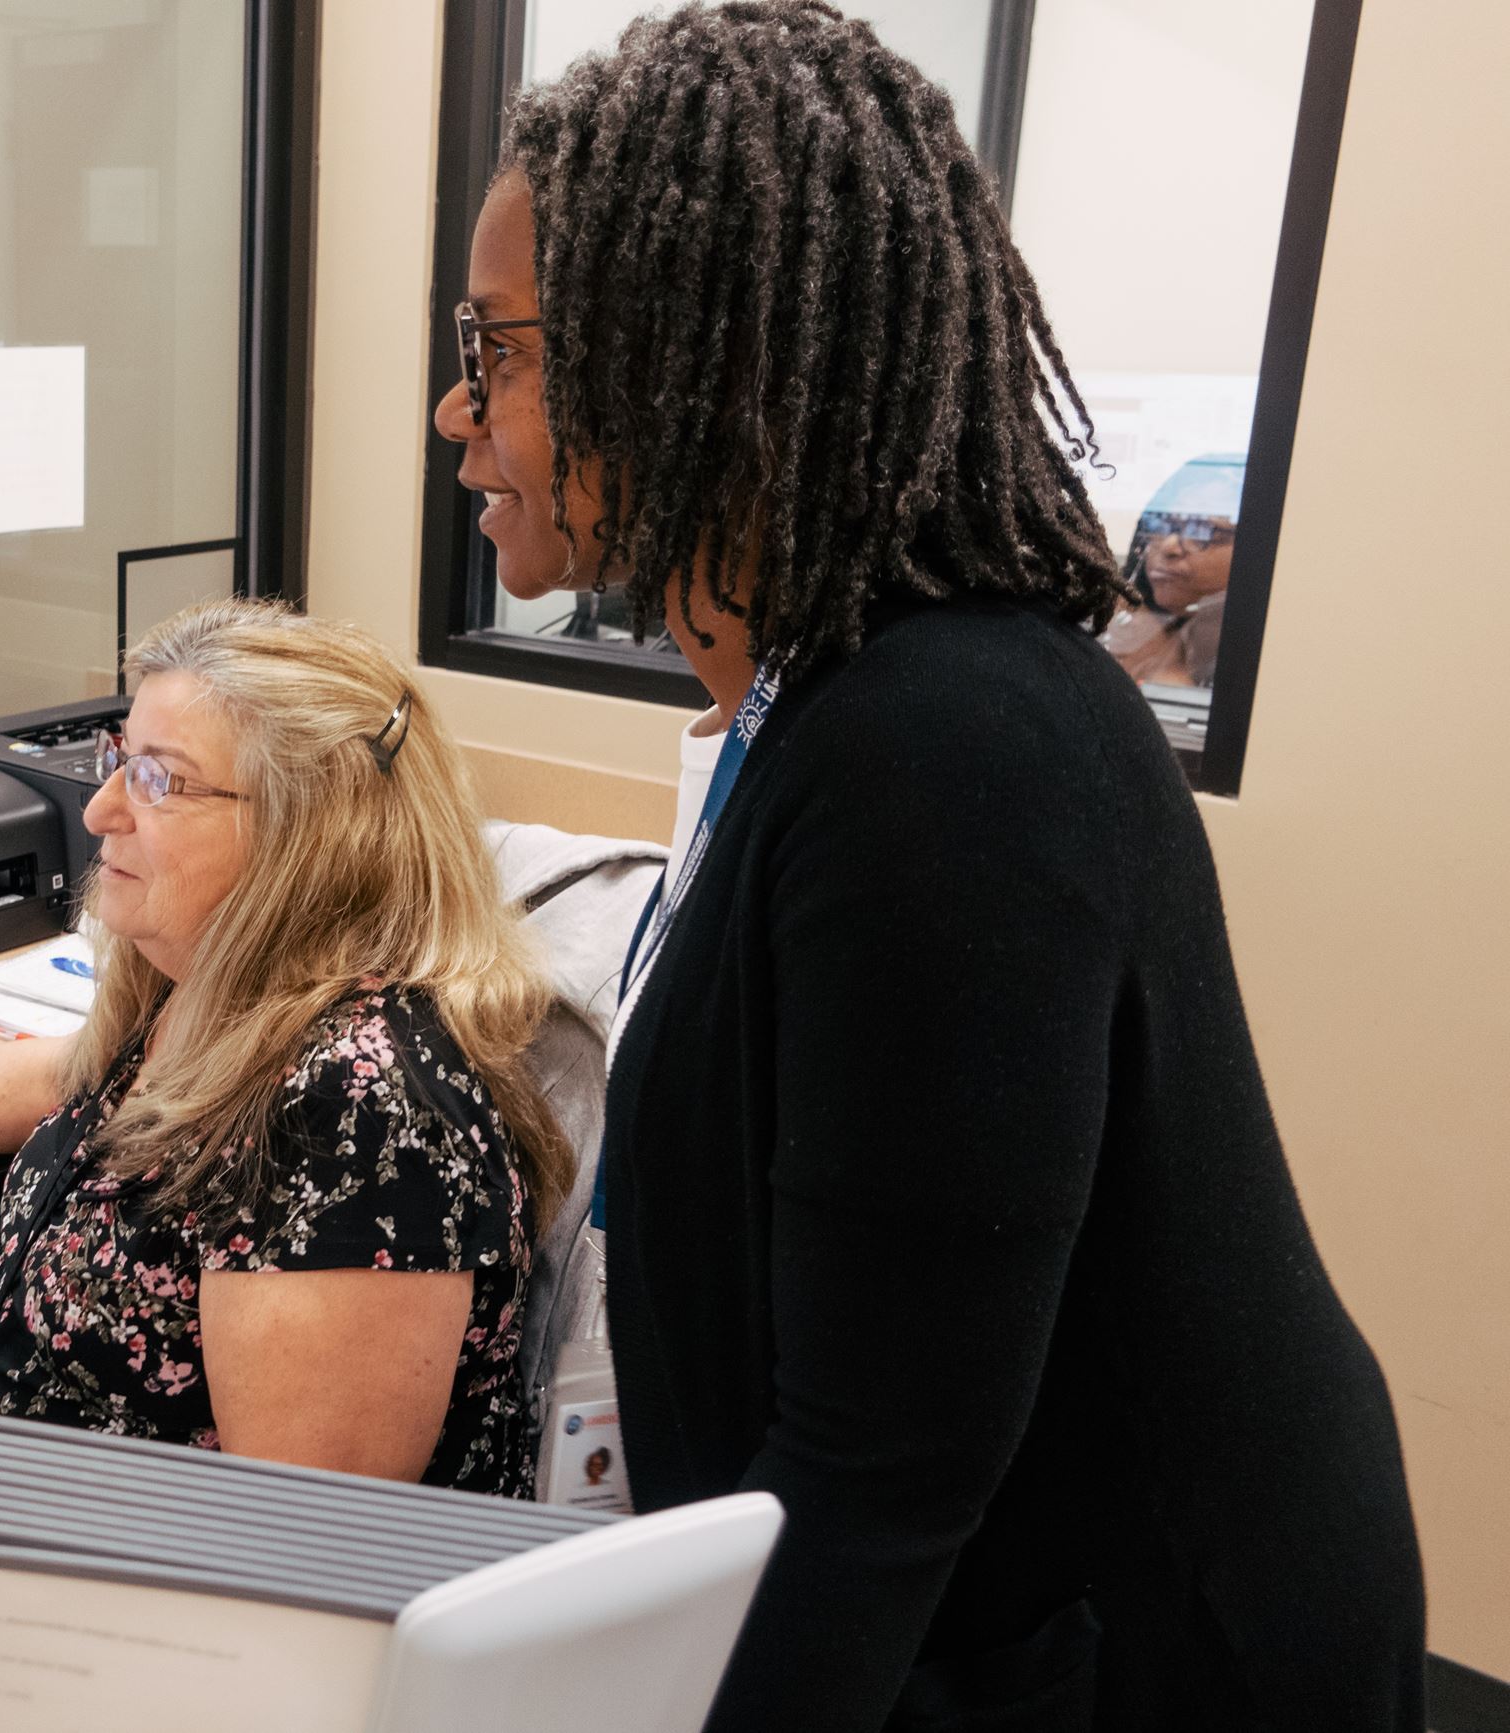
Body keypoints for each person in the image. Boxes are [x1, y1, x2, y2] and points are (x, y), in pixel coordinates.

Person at [431, 4, 1422, 1727]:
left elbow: (879, 1473)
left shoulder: (947, 746)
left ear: (683, 354)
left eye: (494, 346)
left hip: (1135, 1651)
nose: (457, 406)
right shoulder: (818, 699)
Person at [0, 601, 571, 1495]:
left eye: (161, 779)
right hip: (19, 1499)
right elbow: (74, 1082)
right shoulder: (211, 990)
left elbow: (294, 1558)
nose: (98, 812)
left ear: (307, 837)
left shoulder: (361, 1111)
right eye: (119, 760)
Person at [1102, 453, 1242, 688]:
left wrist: (1168, 669)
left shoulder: (1266, 646)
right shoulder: (1115, 622)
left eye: (1200, 529)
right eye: (1160, 524)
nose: (1169, 547)